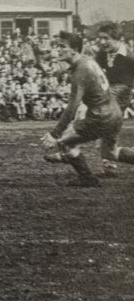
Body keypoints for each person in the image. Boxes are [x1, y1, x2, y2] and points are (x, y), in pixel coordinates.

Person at [41, 31, 134, 186]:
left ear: (74, 49)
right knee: (110, 153)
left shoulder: (81, 70)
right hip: (114, 112)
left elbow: (72, 106)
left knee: (64, 142)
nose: (58, 49)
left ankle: (87, 179)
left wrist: (54, 134)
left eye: (62, 46)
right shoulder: (87, 60)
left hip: (100, 116)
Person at [93, 23, 134, 176]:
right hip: (109, 92)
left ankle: (108, 160)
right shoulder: (102, 54)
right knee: (107, 134)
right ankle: (109, 163)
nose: (102, 42)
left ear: (117, 39)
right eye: (100, 38)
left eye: (106, 38)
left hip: (121, 92)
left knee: (103, 123)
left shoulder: (128, 56)